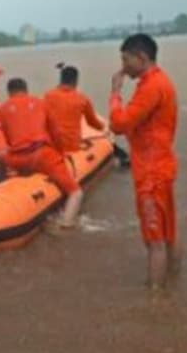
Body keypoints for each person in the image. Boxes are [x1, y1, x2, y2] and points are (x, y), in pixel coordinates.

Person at [108, 33, 180, 291]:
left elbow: (118, 124)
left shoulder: (151, 87)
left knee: (154, 241)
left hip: (151, 173)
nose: (123, 65)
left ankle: (155, 300)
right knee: (168, 233)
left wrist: (115, 93)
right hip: (162, 166)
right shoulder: (160, 82)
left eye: (125, 59)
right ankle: (173, 280)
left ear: (141, 57)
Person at [0, 78, 83, 227]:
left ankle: (3, 185)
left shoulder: (3, 108)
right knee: (76, 193)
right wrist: (61, 153)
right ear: (26, 90)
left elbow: (8, 139)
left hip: (16, 159)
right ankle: (66, 224)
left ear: (9, 93)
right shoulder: (40, 103)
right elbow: (56, 132)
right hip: (42, 156)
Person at [44, 65, 105, 153]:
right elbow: (92, 123)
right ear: (76, 81)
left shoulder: (47, 96)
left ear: (60, 80)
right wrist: (104, 128)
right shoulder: (82, 99)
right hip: (72, 146)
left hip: (52, 145)